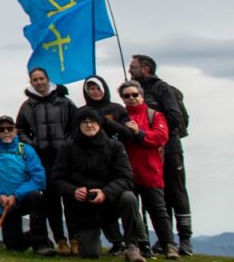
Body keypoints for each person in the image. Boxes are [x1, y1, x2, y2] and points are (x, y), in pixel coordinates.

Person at [52, 108, 146, 262]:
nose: (89, 125)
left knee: (129, 198)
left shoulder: (115, 147)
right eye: (84, 122)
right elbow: (57, 180)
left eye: (93, 121)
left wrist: (105, 193)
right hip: (81, 206)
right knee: (90, 254)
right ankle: (90, 240)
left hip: (109, 202)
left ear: (100, 124)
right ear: (78, 125)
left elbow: (126, 179)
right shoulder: (67, 147)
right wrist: (73, 191)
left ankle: (132, 247)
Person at [129, 54, 192, 257]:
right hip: (147, 152)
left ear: (145, 68)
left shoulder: (162, 89)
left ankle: (185, 240)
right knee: (158, 195)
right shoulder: (135, 91)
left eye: (133, 67)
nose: (130, 70)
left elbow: (175, 118)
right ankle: (166, 240)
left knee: (176, 192)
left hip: (170, 148)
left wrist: (154, 132)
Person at [16, 66, 78, 254]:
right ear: (31, 82)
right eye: (35, 80)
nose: (39, 82)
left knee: (69, 198)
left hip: (65, 156)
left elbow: (77, 125)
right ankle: (60, 240)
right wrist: (32, 143)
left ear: (48, 79)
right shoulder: (27, 105)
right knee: (51, 200)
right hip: (43, 158)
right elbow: (19, 130)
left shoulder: (64, 102)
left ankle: (75, 239)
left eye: (42, 78)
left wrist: (69, 143)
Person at [0, 115, 53, 255]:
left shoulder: (26, 149)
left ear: (15, 131)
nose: (6, 132)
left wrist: (17, 195)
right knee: (15, 246)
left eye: (9, 128)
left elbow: (39, 179)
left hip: (24, 198)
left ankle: (41, 243)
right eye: (2, 129)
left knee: (36, 197)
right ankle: (31, 235)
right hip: (4, 204)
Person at [116, 81, 178, 259]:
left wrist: (139, 133)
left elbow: (161, 137)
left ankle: (169, 245)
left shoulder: (155, 115)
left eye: (134, 94)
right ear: (122, 98)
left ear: (141, 95)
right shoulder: (122, 116)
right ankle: (138, 246)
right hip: (127, 172)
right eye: (126, 96)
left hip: (150, 171)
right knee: (132, 212)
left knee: (158, 211)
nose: (131, 98)